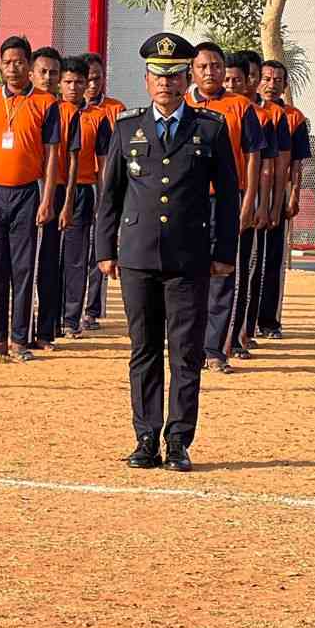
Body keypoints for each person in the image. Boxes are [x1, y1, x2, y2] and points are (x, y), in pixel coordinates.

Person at [97, 33, 238, 471]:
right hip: (138, 256)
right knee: (143, 350)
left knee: (185, 352)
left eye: (175, 75)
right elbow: (110, 195)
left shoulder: (209, 129)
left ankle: (178, 440)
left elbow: (229, 197)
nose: (167, 84)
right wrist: (106, 250)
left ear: (187, 79)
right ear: (146, 80)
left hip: (189, 257)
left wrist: (224, 252)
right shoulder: (126, 129)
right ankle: (145, 438)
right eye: (159, 76)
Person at [0, 35, 61, 362]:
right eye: (7, 62)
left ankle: (20, 340)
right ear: (0, 65)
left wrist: (47, 200)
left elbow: (51, 156)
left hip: (27, 194)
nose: (13, 68)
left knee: (24, 270)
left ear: (29, 65)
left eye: (20, 62)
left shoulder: (46, 104)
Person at [186, 41, 268, 372]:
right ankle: (186, 346)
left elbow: (253, 155)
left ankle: (215, 350)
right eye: (203, 66)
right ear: (192, 70)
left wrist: (248, 201)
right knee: (186, 274)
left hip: (226, 198)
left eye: (216, 66)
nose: (211, 72)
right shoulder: (181, 104)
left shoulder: (240, 107)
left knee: (223, 271)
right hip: (187, 199)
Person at [235, 49, 290, 351]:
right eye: (260, 77)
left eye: (267, 77)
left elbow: (277, 166)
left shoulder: (275, 117)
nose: (264, 83)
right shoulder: (207, 110)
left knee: (251, 267)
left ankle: (247, 329)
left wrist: (269, 205)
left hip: (252, 199)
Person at [254, 59, 311, 339]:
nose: (271, 84)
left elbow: (297, 163)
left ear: (285, 85)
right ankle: (246, 318)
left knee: (273, 259)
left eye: (277, 80)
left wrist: (293, 196)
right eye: (266, 78)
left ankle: (269, 321)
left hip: (280, 191)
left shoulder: (294, 117)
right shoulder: (248, 111)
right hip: (251, 191)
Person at [57, 56, 109, 339]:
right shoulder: (51, 111)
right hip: (51, 190)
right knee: (49, 256)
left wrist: (104, 201)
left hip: (83, 192)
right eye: (69, 81)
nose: (76, 87)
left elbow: (104, 163)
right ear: (60, 83)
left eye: (82, 81)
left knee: (77, 259)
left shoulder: (97, 118)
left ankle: (71, 318)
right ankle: (47, 316)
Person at [29, 46, 73, 350]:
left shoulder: (63, 111)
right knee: (21, 266)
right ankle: (20, 329)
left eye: (53, 73)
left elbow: (68, 160)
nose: (47, 77)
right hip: (24, 188)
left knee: (48, 263)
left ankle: (45, 329)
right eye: (42, 71)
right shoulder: (20, 104)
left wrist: (64, 201)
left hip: (52, 191)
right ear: (31, 73)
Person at [81, 52, 126, 330]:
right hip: (75, 186)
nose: (91, 85)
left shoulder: (116, 109)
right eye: (87, 79)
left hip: (105, 187)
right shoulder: (67, 108)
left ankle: (92, 309)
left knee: (100, 248)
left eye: (97, 79)